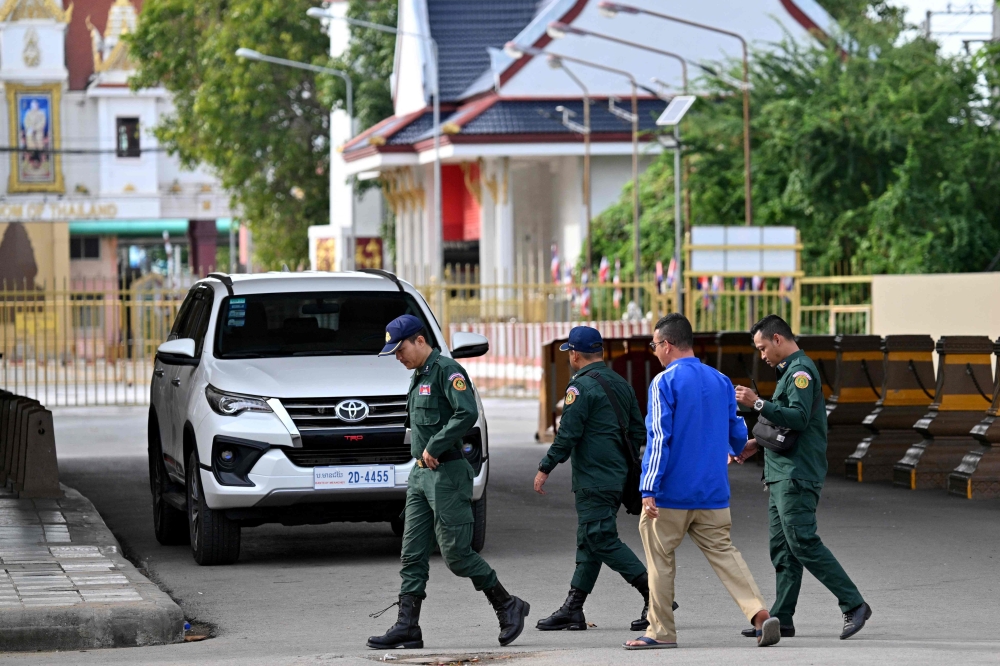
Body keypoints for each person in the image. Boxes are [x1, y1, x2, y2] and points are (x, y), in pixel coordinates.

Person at [367, 315, 530, 650]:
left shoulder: (447, 370)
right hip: (421, 477)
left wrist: (435, 445)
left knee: (456, 556)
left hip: (447, 475)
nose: (398, 356)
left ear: (420, 340)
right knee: (411, 553)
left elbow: (466, 412)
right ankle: (407, 627)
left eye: (400, 349)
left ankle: (507, 604)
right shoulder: (419, 375)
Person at [624, 313, 780, 650]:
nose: (654, 351)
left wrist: (648, 487)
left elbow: (659, 438)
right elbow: (737, 431)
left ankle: (661, 631)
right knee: (725, 555)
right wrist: (738, 448)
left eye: (654, 345)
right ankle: (760, 615)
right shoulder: (721, 381)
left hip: (670, 495)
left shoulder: (663, 383)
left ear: (666, 344)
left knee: (660, 560)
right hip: (712, 493)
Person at [735, 314, 872, 640]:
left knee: (802, 541)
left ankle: (853, 603)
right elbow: (787, 430)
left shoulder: (800, 372)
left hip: (797, 475)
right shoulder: (789, 373)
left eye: (763, 347)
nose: (762, 355)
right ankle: (782, 618)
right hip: (782, 473)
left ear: (778, 339)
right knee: (782, 549)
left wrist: (758, 403)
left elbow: (796, 419)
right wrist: (756, 444)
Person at [534, 326, 666, 633]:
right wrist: (622, 465)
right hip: (616, 477)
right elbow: (637, 431)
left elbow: (568, 433)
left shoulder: (578, 388)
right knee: (590, 540)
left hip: (593, 477)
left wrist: (545, 467)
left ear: (575, 354)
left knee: (600, 538)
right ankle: (573, 608)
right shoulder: (620, 383)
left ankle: (654, 595)